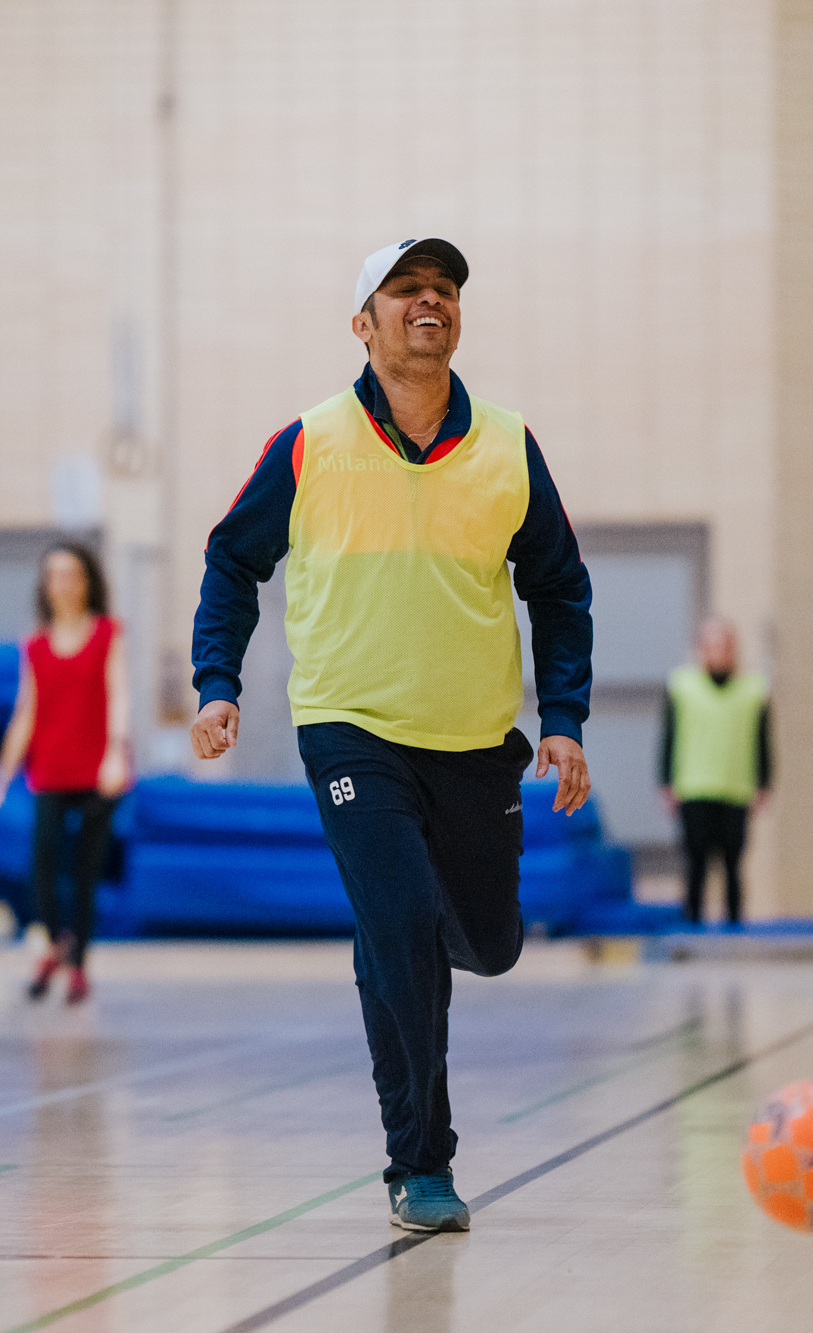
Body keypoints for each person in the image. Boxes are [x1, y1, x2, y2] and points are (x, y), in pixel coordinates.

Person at [190, 239, 594, 1233]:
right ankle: (419, 1164)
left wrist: (564, 718)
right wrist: (217, 683)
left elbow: (557, 586)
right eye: (406, 289)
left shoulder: (506, 445)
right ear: (362, 323)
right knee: (404, 922)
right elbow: (231, 559)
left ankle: (394, 936)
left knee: (487, 944)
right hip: (348, 728)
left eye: (444, 289)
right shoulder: (310, 443)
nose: (430, 301)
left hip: (471, 739)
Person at [0, 543, 131, 1005]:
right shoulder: (36, 645)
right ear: (45, 585)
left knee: (86, 871)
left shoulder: (108, 634)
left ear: (86, 582)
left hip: (96, 771)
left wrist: (115, 754)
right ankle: (50, 946)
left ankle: (79, 962)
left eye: (72, 574)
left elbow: (118, 694)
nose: (63, 584)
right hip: (50, 769)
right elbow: (25, 713)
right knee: (41, 864)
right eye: (54, 575)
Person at [660, 617, 772, 928]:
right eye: (711, 645)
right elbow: (668, 738)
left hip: (736, 788)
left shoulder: (754, 691)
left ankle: (735, 928)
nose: (718, 652)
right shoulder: (681, 686)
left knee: (733, 864)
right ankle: (692, 927)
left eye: (723, 646)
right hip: (694, 787)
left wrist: (764, 783)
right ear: (700, 649)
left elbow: (763, 740)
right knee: (695, 863)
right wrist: (666, 782)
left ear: (733, 650)